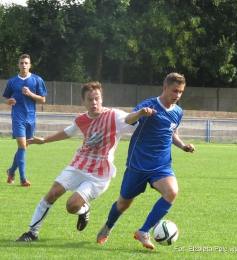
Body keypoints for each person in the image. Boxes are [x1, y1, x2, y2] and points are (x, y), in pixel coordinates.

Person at [14, 81, 137, 242]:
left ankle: (83, 209)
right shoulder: (81, 120)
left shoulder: (115, 116)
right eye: (90, 100)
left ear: (102, 99)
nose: (94, 103)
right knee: (52, 193)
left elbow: (134, 123)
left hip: (99, 174)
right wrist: (44, 140)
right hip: (79, 165)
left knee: (71, 206)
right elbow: (68, 132)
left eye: (97, 99)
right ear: (83, 102)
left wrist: (143, 114)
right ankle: (32, 233)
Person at [96, 72, 195, 250]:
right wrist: (141, 113)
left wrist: (182, 146)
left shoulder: (178, 112)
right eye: (174, 91)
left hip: (161, 165)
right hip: (138, 165)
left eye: (180, 92)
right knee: (122, 204)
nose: (177, 95)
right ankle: (109, 225)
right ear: (165, 88)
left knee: (172, 192)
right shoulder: (148, 105)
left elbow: (172, 132)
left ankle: (143, 231)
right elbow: (128, 119)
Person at [3, 54, 47, 186]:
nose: (23, 65)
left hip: (31, 118)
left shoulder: (37, 80)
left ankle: (11, 171)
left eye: (26, 63)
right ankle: (23, 179)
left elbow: (43, 99)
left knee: (24, 148)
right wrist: (8, 101)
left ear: (30, 65)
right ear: (18, 65)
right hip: (17, 117)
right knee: (22, 146)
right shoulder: (12, 81)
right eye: (21, 63)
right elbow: (5, 97)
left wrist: (30, 94)